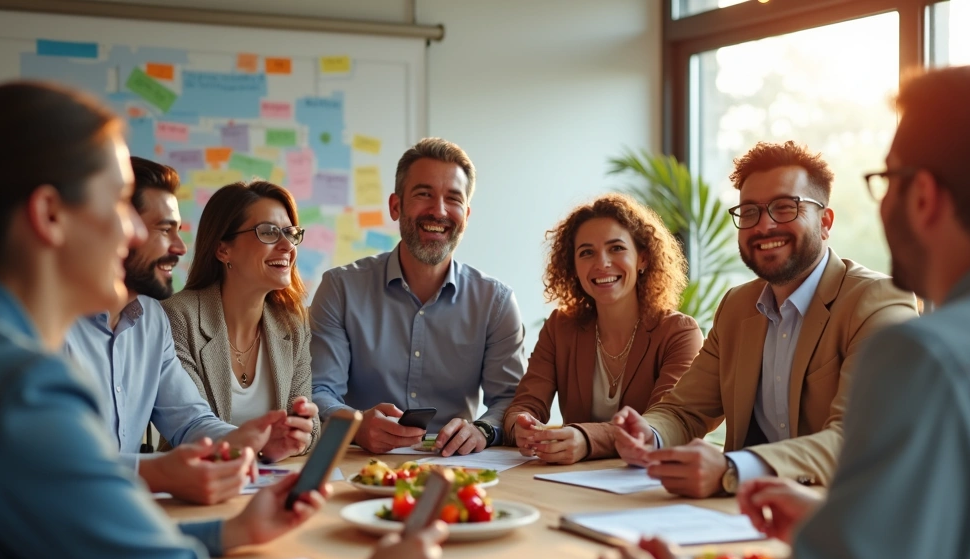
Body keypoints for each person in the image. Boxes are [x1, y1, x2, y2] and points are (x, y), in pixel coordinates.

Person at [0, 80, 445, 559]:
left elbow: (90, 540)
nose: (135, 233)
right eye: (119, 205)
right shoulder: (16, 390)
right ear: (49, 215)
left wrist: (229, 535)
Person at [594, 64, 970, 559]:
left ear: (924, 196)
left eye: (886, 182)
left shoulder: (932, 358)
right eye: (751, 212)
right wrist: (839, 523)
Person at [613, 141, 918, 498]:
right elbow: (684, 411)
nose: (764, 225)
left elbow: (857, 437)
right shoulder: (737, 306)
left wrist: (734, 469)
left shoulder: (878, 301)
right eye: (750, 212)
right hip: (742, 518)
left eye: (785, 208)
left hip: (842, 517)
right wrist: (648, 433)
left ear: (825, 221)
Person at [64, 158, 311, 506]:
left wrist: (246, 441)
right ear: (117, 228)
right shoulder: (50, 324)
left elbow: (190, 421)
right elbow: (46, 465)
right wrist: (157, 472)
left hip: (126, 512)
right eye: (164, 230)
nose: (180, 247)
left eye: (177, 230)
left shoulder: (150, 320)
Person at [310, 137, 527, 456]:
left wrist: (481, 430)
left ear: (466, 214)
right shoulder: (340, 289)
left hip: (456, 467)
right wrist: (355, 425)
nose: (438, 211)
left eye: (452, 199)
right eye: (424, 194)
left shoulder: (496, 302)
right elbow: (319, 391)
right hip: (360, 462)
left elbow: (510, 400)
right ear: (395, 205)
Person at [504, 193, 702, 464]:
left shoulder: (679, 333)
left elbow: (664, 421)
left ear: (642, 258)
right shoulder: (560, 328)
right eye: (587, 253)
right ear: (573, 267)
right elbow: (526, 404)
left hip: (649, 483)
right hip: (569, 481)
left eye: (616, 248)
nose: (602, 263)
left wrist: (586, 439)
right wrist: (522, 426)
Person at [163, 180, 319, 452]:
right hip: (198, 483)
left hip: (270, 478)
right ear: (223, 249)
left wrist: (302, 433)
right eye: (269, 232)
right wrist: (261, 445)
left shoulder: (293, 323)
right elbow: (191, 428)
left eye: (290, 233)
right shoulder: (178, 317)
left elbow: (310, 423)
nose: (287, 246)